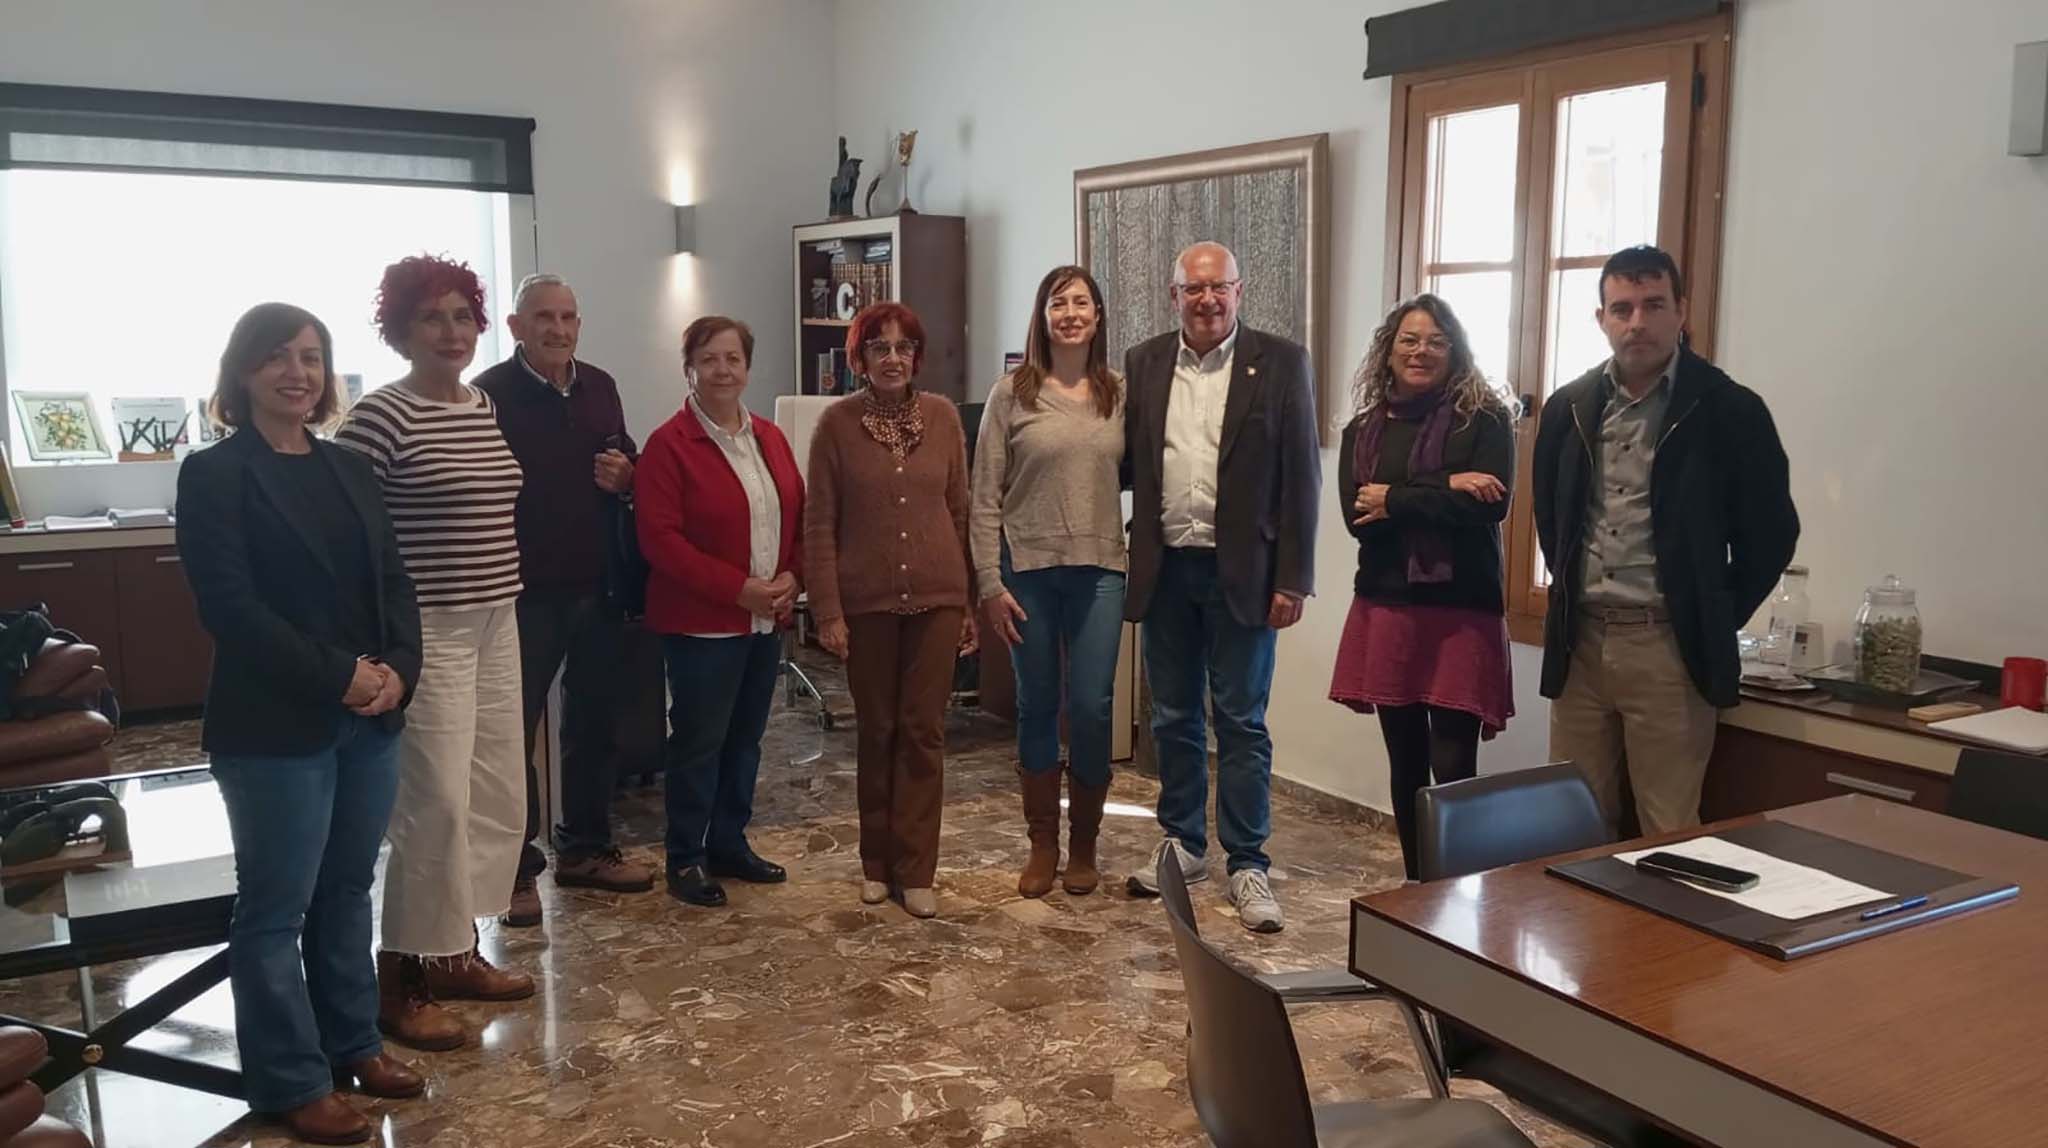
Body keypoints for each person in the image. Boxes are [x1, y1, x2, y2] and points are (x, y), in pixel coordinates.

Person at [177, 303, 424, 1144]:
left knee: (347, 891)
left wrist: (398, 673)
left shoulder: (350, 468)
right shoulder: (214, 475)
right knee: (276, 909)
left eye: (312, 357)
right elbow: (232, 611)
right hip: (273, 728)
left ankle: (353, 1043)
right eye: (278, 357)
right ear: (242, 373)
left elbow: (394, 581)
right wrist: (342, 677)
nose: (298, 373)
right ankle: (290, 1079)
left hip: (369, 718)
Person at [335, 255, 533, 1052]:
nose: (451, 332)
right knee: (435, 804)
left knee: (495, 793)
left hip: (498, 618)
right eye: (432, 318)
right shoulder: (378, 419)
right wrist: (377, 645)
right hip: (431, 630)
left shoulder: (481, 404)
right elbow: (346, 537)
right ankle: (401, 976)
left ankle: (455, 949)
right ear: (399, 331)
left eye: (462, 316)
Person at [1534, 245, 1799, 834]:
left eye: (1653, 305)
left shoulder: (1730, 410)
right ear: (1600, 318)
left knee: (1669, 829)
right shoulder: (1569, 408)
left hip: (1668, 649)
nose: (1637, 323)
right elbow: (1552, 521)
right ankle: (1584, 931)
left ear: (1682, 310)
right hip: (1581, 644)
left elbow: (1774, 534)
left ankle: (1656, 932)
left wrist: (1711, 612)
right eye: (1622, 308)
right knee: (1570, 823)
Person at [1121, 241, 1319, 934]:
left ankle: (1248, 863)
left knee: (1240, 721)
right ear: (1173, 295)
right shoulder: (1143, 362)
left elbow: (1302, 475)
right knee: (1173, 716)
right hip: (1167, 567)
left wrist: (1295, 577)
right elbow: (1132, 464)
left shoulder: (1282, 362)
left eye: (1219, 288)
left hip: (1248, 574)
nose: (1207, 301)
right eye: (1193, 289)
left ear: (1239, 291)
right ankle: (1182, 844)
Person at [475, 272, 653, 927]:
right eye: (544, 316)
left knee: (596, 726)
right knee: (508, 734)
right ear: (517, 326)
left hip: (598, 586)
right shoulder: (487, 394)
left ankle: (586, 848)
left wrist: (628, 475)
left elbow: (623, 458)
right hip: (521, 595)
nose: (558, 327)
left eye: (569, 316)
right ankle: (515, 871)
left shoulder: (601, 386)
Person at [1328, 295, 1515, 880]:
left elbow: (1491, 507)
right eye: (1409, 340)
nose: (1421, 351)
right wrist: (1447, 485)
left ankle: (1459, 889)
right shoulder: (1364, 430)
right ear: (1388, 351)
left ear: (1454, 351)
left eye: (1436, 341)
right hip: (1390, 605)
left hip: (1462, 612)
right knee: (1405, 761)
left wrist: (1398, 497)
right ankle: (1417, 884)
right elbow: (1357, 514)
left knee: (1455, 763)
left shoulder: (1485, 420)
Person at [804, 302, 976, 919]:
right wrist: (827, 610)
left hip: (939, 599)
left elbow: (959, 511)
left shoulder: (944, 418)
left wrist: (971, 603)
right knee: (878, 733)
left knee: (924, 734)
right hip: (867, 604)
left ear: (918, 357)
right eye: (879, 347)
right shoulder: (836, 426)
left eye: (904, 347)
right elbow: (819, 522)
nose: (893, 358)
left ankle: (917, 868)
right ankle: (876, 863)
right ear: (860, 358)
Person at [635, 316, 803, 907]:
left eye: (733, 358)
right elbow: (661, 542)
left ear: (748, 367)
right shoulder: (668, 445)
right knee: (699, 743)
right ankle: (685, 856)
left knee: (747, 740)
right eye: (710, 359)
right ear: (689, 369)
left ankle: (729, 841)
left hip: (764, 622)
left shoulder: (770, 438)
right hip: (700, 624)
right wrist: (739, 589)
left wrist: (791, 577)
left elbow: (795, 517)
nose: (723, 370)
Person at [970, 265, 1125, 898]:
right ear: (1043, 316)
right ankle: (1042, 844)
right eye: (1058, 303)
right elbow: (983, 496)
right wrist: (987, 580)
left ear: (1097, 316)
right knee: (1036, 705)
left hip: (1100, 573)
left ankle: (1084, 844)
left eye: (1081, 302)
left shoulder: (1119, 391)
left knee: (1091, 708)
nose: (1070, 313)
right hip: (1025, 573)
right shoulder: (1012, 393)